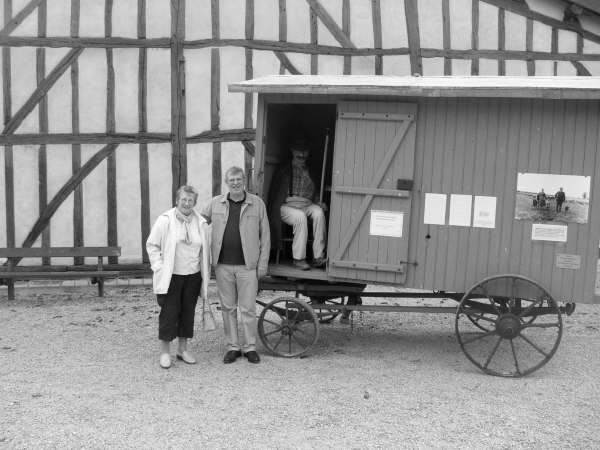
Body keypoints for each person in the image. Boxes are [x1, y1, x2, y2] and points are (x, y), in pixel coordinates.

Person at [202, 166, 270, 364]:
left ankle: (249, 348)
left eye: (239, 179)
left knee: (248, 308)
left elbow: (265, 237)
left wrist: (262, 264)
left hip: (248, 267)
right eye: (231, 180)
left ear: (244, 181)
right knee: (228, 308)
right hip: (222, 266)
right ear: (226, 182)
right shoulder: (216, 203)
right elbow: (197, 221)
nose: (236, 183)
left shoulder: (256, 204)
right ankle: (233, 347)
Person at [146, 185, 210, 369]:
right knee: (169, 313)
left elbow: (203, 250)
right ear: (177, 200)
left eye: (191, 200)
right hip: (172, 276)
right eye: (184, 199)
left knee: (187, 313)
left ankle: (182, 350)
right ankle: (165, 352)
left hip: (193, 276)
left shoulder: (200, 222)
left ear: (195, 203)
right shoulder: (165, 220)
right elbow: (152, 245)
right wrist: (159, 267)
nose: (187, 203)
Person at [271, 138, 327, 270]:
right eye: (299, 151)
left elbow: (317, 192)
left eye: (305, 151)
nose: (302, 155)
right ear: (292, 150)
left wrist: (319, 202)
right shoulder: (284, 170)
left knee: (319, 213)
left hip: (307, 204)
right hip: (286, 206)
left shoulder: (311, 171)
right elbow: (276, 195)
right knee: (300, 216)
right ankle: (299, 259)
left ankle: (318, 257)